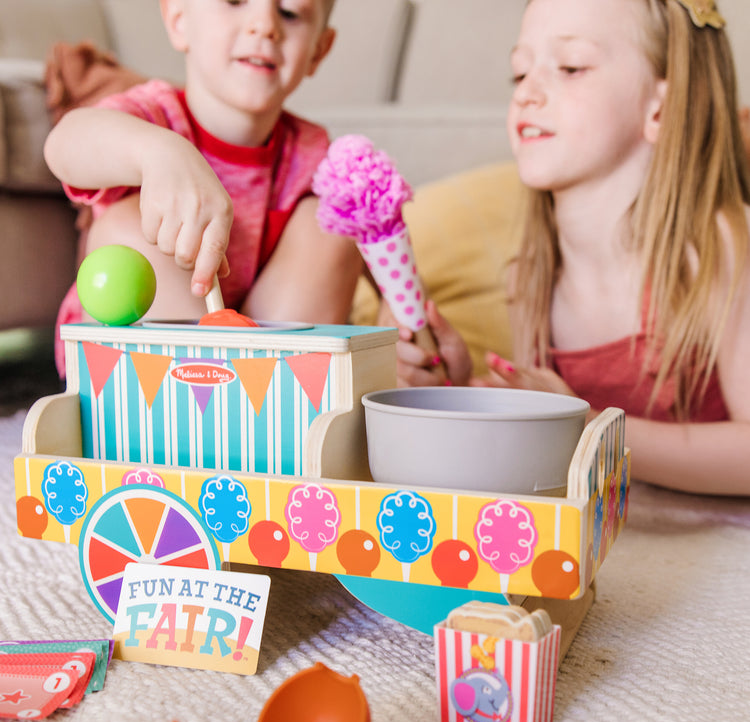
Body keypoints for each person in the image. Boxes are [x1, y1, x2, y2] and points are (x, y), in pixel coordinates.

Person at [391, 0, 750, 496]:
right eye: (519, 74)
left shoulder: (718, 247)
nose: (528, 94)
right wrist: (455, 392)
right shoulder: (533, 276)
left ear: (660, 108)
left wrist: (585, 426)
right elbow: (541, 462)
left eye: (571, 67)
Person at [44, 0, 362, 373]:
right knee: (123, 223)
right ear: (179, 20)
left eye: (289, 11)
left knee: (333, 224)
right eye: (235, 2)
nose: (264, 25)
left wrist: (405, 321)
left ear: (318, 51)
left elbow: (376, 246)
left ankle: (280, 390)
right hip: (137, 358)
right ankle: (182, 396)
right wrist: (157, 150)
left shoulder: (311, 151)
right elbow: (64, 144)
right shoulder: (152, 115)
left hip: (260, 344)